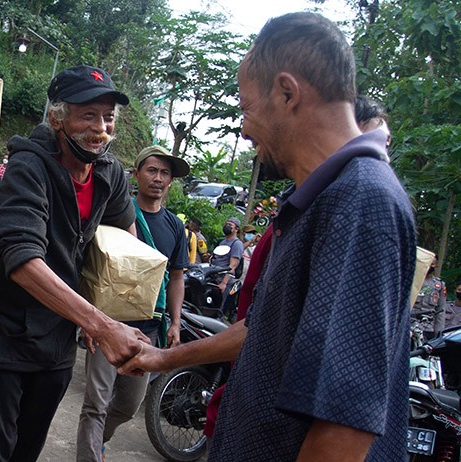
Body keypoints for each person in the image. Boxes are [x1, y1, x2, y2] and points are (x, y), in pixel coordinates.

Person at [120, 12, 416, 460]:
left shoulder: (362, 204)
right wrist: (164, 358)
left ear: (287, 92)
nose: (243, 127)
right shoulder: (316, 197)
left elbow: (343, 427)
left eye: (245, 107)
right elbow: (265, 331)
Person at [0, 65, 149, 462]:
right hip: (7, 326)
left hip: (59, 331)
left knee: (28, 447)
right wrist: (99, 326)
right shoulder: (28, 167)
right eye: (88, 115)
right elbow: (21, 260)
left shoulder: (109, 172)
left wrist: (111, 309)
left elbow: (124, 240)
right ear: (57, 118)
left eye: (108, 117)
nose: (100, 128)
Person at [76, 145, 189, 461]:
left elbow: (177, 276)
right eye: (151, 170)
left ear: (170, 182)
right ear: (136, 174)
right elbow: (94, 266)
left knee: (128, 404)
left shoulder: (175, 227)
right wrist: (88, 319)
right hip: (109, 323)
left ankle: (99, 440)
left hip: (148, 329)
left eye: (165, 173)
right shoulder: (117, 214)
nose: (158, 178)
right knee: (95, 403)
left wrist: (176, 322)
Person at [211, 217, 243, 313]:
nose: (227, 226)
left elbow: (233, 265)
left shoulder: (237, 244)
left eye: (230, 225)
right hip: (215, 278)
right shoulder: (223, 242)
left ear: (236, 229)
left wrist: (224, 283)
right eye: (226, 224)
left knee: (219, 309)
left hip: (225, 280)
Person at [412, 257, 447, 340]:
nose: (430, 265)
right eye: (429, 263)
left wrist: (439, 333)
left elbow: (440, 310)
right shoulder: (412, 281)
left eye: (433, 264)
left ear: (436, 266)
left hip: (428, 327)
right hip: (410, 324)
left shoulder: (439, 285)